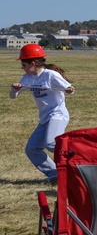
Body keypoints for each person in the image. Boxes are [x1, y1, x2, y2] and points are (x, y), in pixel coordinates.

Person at [9, 44, 73, 184]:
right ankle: (55, 174)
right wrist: (14, 89)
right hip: (45, 118)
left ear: (32, 63)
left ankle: (76, 163)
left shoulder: (50, 75)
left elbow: (70, 89)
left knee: (51, 142)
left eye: (23, 64)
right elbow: (13, 96)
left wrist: (69, 90)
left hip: (58, 114)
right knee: (32, 149)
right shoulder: (27, 78)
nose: (22, 67)